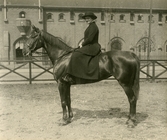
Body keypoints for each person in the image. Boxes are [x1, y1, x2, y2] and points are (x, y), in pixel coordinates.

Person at [63, 12, 101, 83]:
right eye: (86, 18)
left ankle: (71, 76)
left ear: (92, 19)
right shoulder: (90, 26)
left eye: (88, 18)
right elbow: (87, 38)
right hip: (89, 45)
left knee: (76, 54)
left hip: (93, 46)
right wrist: (82, 43)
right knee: (75, 51)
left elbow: (90, 39)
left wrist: (82, 44)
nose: (87, 20)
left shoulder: (93, 27)